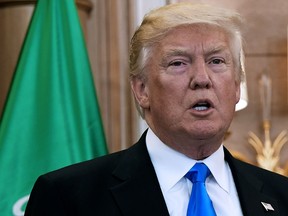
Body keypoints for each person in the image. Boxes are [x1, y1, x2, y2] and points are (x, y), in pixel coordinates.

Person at [25, 2, 288, 216]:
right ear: (142, 90)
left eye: (216, 61)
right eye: (178, 63)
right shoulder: (68, 197)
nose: (202, 78)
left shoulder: (281, 195)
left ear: (236, 86)